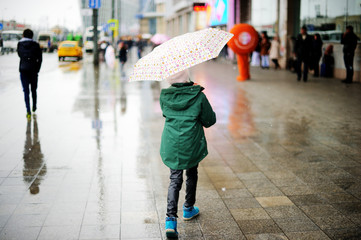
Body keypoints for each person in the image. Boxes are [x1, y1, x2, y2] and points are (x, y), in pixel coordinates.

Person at [160, 69, 216, 238]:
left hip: (171, 142)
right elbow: (210, 120)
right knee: (192, 172)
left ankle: (170, 220)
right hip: (191, 141)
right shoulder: (198, 95)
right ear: (187, 75)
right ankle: (188, 208)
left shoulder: (165, 96)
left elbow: (166, 114)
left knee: (175, 179)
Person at [17, 29, 42, 119]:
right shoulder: (36, 45)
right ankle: (34, 106)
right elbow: (40, 58)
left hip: (23, 70)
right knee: (33, 89)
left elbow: (19, 54)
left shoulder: (20, 44)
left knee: (26, 91)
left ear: (23, 35)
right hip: (33, 70)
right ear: (32, 36)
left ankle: (28, 111)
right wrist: (37, 69)